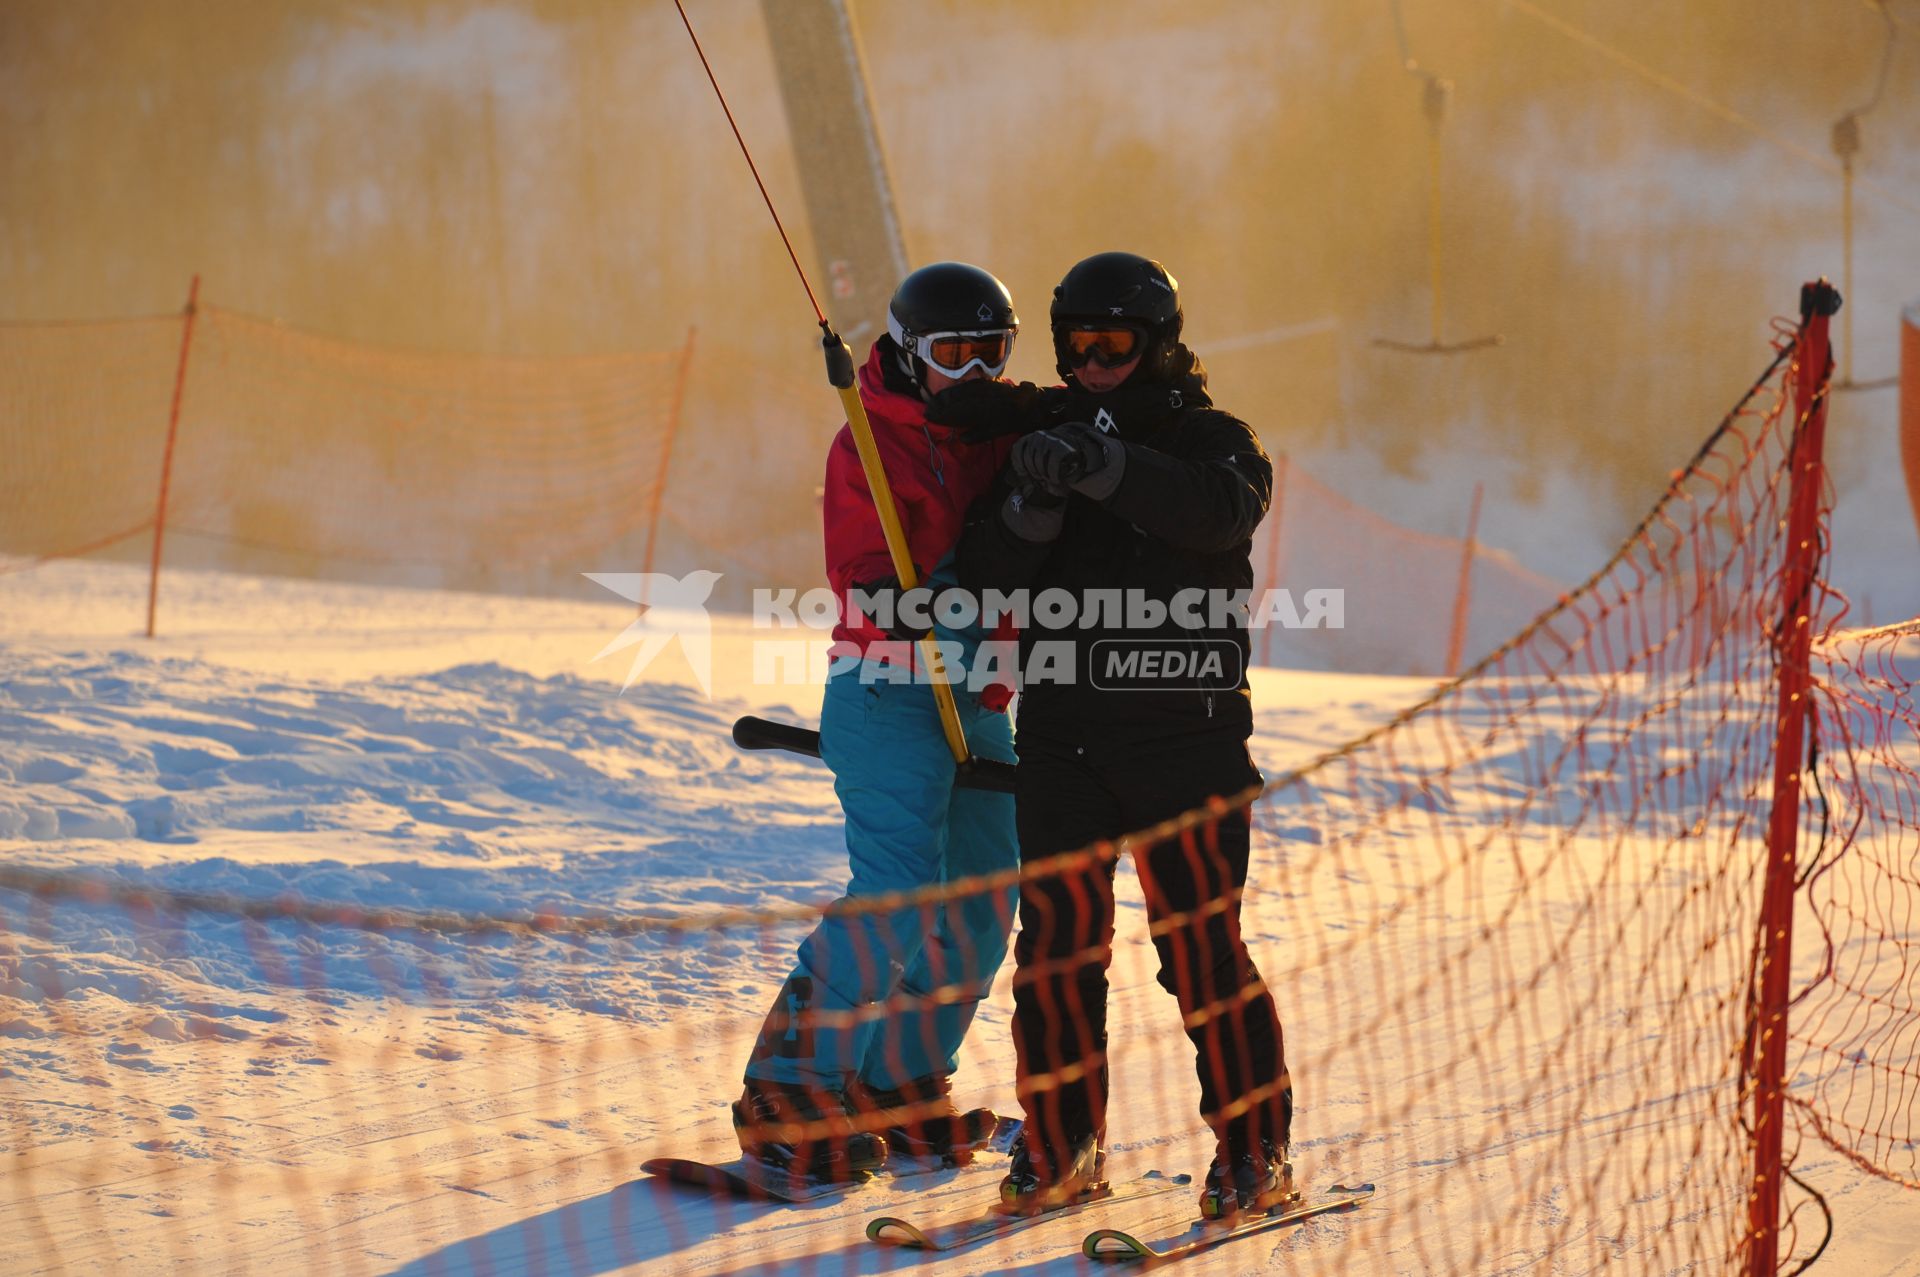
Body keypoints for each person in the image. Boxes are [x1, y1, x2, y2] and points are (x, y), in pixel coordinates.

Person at [941, 252, 1293, 1220]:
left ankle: (1254, 1152)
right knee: (1057, 949)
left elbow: (1221, 512)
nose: (1095, 363)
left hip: (1189, 736)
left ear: (1160, 343)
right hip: (1065, 741)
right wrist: (1031, 503)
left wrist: (1109, 466)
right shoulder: (1044, 438)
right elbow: (984, 576)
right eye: (1078, 346)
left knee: (1200, 950)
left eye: (1116, 344)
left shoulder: (1215, 437)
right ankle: (1061, 1145)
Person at [732, 262, 1023, 1183]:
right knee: (897, 890)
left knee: (983, 898)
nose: (973, 375)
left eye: (992, 355)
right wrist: (915, 598)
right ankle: (786, 1089)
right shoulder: (866, 438)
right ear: (907, 353)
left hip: (973, 697)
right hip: (886, 686)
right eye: (952, 355)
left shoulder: (1006, 434)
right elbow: (862, 569)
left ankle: (895, 1081)